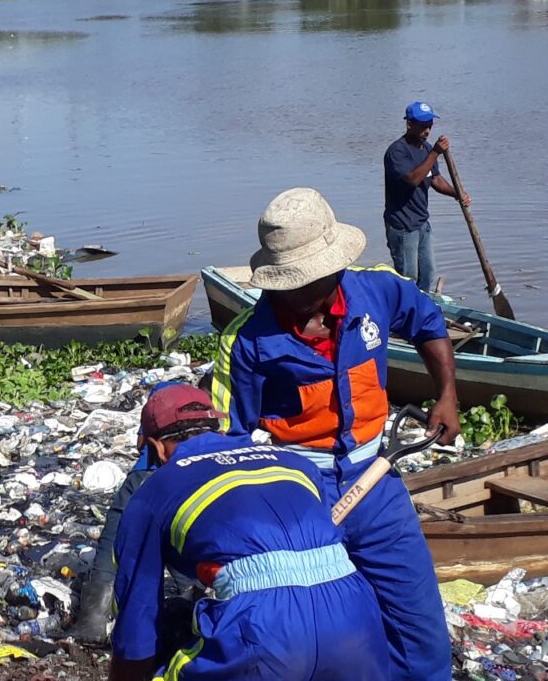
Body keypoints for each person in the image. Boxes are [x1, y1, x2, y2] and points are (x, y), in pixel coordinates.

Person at [212, 187, 460, 681]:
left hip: (377, 478)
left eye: (307, 283)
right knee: (321, 632)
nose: (297, 295)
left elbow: (429, 323)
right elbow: (230, 444)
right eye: (287, 284)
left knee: (419, 625)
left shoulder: (378, 291)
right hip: (298, 494)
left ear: (334, 268)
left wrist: (447, 393)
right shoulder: (245, 340)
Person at [108, 384, 388, 681]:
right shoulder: (297, 464)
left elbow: (137, 620)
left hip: (261, 627)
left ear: (157, 446)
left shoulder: (153, 492)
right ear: (217, 429)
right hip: (357, 613)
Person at [70, 378, 202, 645]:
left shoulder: (159, 403)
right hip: (194, 479)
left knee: (113, 538)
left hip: (145, 476)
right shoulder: (198, 408)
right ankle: (196, 610)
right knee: (182, 539)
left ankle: (93, 619)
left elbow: (143, 442)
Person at [384, 101, 471, 292]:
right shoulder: (397, 152)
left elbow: (435, 180)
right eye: (423, 125)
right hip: (402, 226)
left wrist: (458, 194)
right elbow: (414, 179)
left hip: (422, 223)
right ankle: (405, 315)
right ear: (409, 124)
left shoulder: (426, 148)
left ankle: (423, 310)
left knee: (427, 274)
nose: (427, 130)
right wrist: (436, 153)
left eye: (430, 125)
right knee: (408, 278)